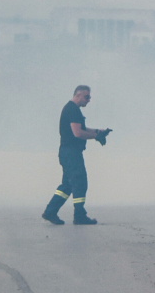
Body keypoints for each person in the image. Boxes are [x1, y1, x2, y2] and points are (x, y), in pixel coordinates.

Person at [41, 85, 111, 226]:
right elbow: (77, 133)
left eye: (89, 97)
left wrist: (98, 131)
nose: (89, 100)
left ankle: (50, 212)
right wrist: (96, 136)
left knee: (67, 185)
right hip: (71, 153)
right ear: (78, 95)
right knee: (80, 183)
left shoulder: (72, 109)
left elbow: (81, 128)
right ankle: (79, 216)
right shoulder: (72, 110)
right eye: (87, 97)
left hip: (68, 152)